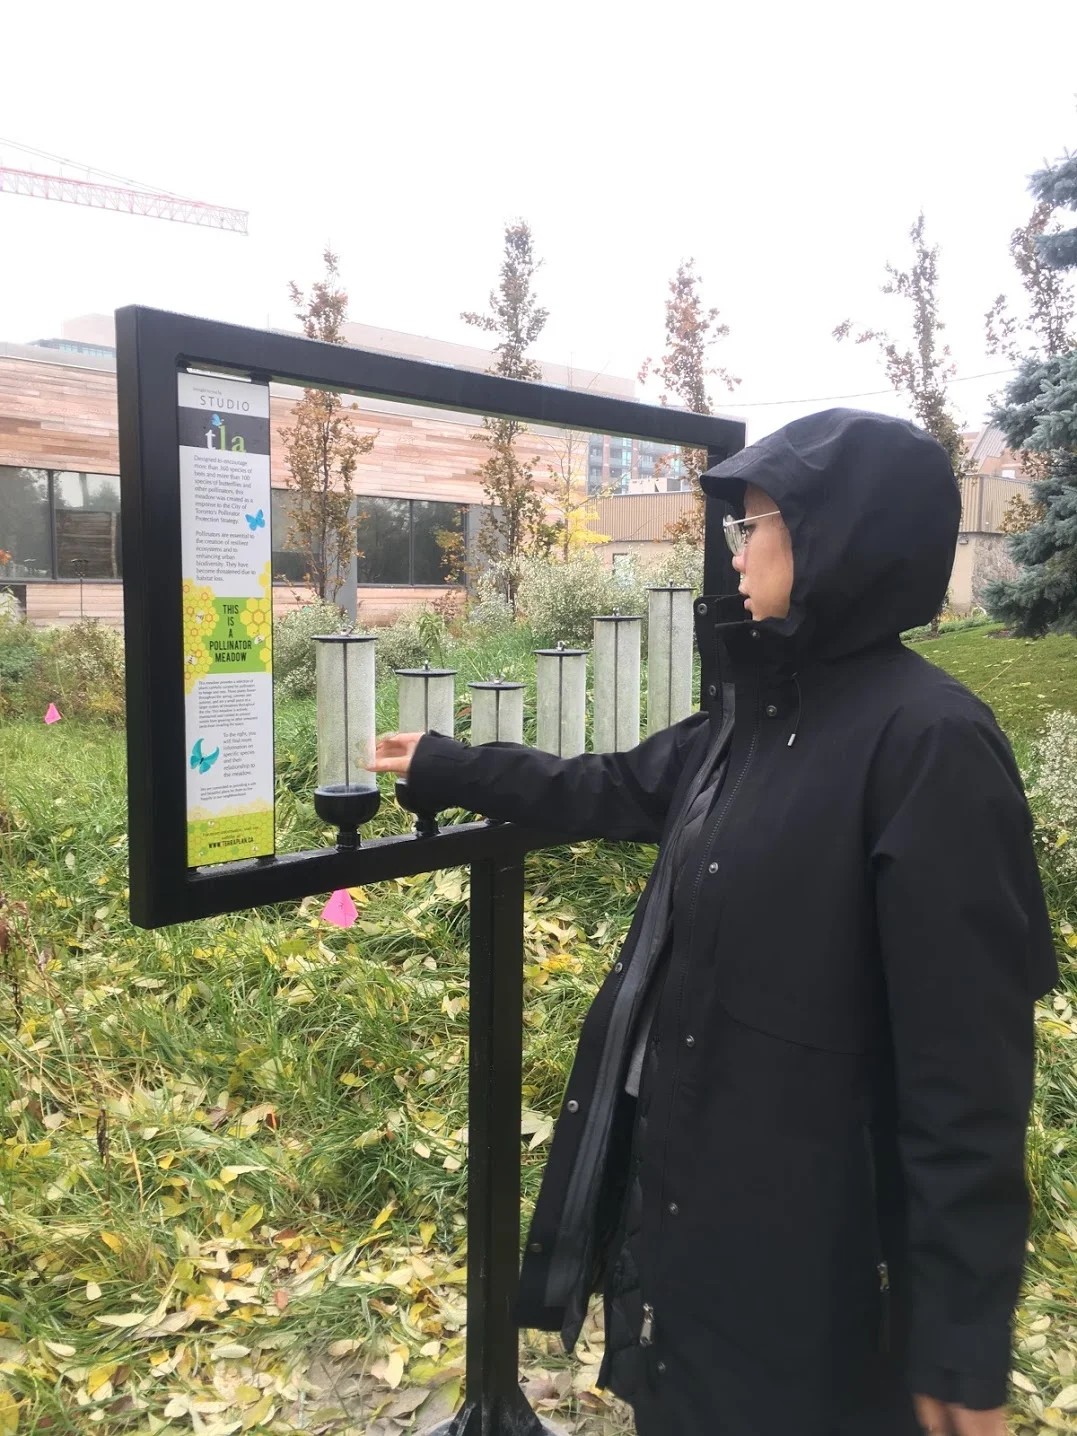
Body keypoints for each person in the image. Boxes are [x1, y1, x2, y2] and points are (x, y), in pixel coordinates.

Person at [372, 408, 1057, 1436]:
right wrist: (451, 765)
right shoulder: (756, 715)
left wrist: (957, 1338)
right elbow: (610, 786)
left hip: (819, 1276)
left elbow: (966, 1077)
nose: (737, 552)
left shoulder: (931, 745)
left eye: (757, 525)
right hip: (695, 1221)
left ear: (836, 537)